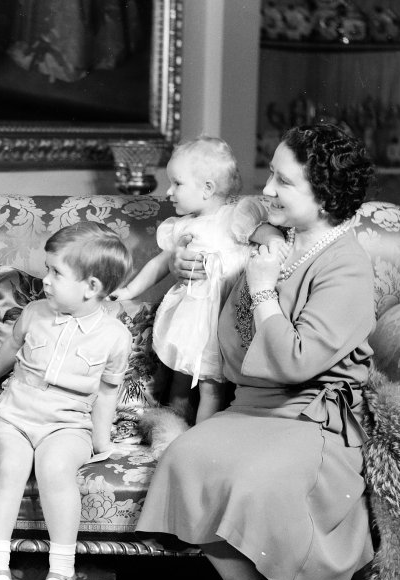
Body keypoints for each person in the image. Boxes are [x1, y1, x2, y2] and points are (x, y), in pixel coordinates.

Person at [136, 123, 376, 580]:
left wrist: (265, 290)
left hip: (312, 417)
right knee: (187, 460)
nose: (266, 189)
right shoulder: (267, 233)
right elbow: (232, 330)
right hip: (253, 406)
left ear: (325, 195)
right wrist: (199, 269)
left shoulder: (346, 265)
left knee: (255, 479)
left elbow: (295, 362)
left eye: (283, 181)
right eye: (269, 172)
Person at [0, 222, 133, 580]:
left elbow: (104, 394)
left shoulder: (115, 336)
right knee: (9, 465)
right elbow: (11, 350)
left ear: (92, 287)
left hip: (67, 423)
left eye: (55, 273)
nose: (44, 280)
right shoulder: (34, 312)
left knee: (55, 467)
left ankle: (61, 573)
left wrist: (102, 440)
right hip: (15, 414)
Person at [110, 137, 281, 422]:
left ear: (207, 189)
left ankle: (200, 440)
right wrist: (129, 289)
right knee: (180, 379)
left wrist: (275, 242)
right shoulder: (182, 227)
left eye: (177, 183)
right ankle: (173, 432)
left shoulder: (235, 217)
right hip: (190, 319)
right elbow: (160, 263)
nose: (168, 192)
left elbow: (263, 232)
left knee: (211, 388)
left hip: (222, 319)